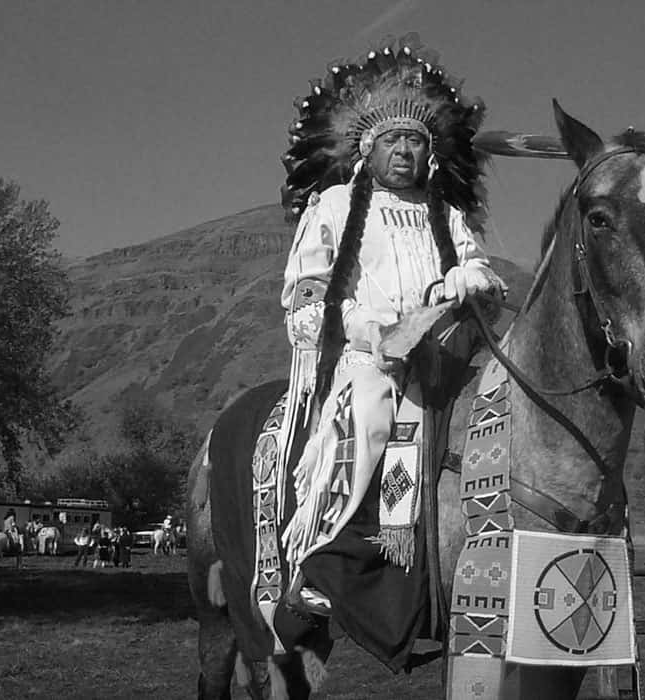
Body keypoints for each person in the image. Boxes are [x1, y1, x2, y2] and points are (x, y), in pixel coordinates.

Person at [274, 36, 506, 671]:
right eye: (393, 142)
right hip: (370, 358)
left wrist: (469, 281)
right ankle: (324, 567)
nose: (405, 152)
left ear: (430, 154)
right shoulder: (335, 206)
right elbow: (308, 291)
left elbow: (480, 270)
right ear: (366, 149)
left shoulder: (446, 215)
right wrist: (363, 329)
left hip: (447, 353)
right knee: (371, 415)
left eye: (416, 143)